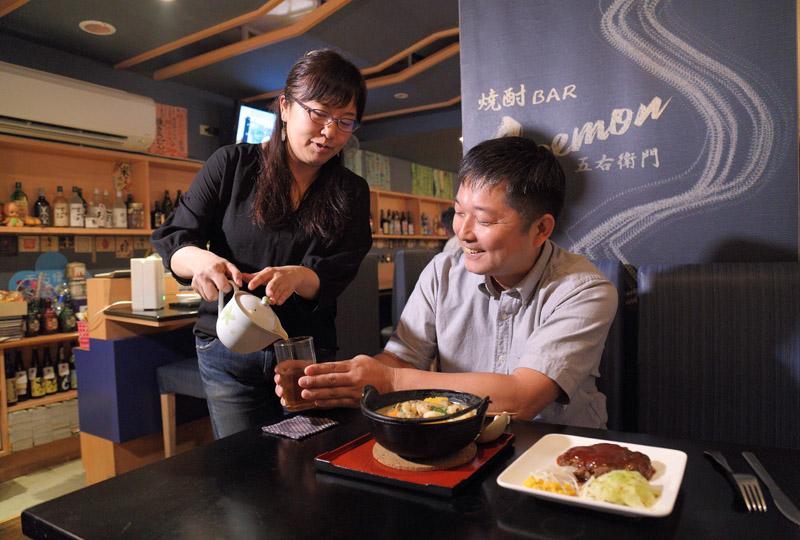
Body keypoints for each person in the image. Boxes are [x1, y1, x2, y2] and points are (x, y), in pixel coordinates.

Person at [277, 136, 617, 428]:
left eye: (483, 219)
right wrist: (338, 380)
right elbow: (403, 358)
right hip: (461, 442)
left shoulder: (583, 290)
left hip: (557, 452)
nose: (463, 232)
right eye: (458, 212)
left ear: (541, 229)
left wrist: (390, 380)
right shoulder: (443, 271)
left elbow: (524, 398)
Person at [151, 49, 372, 438]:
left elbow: (343, 266)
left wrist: (300, 276)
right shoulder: (231, 165)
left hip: (306, 351)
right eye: (318, 113)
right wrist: (199, 261)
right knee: (243, 471)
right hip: (228, 349)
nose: (329, 132)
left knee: (307, 461)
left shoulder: (351, 191)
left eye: (345, 121)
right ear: (286, 107)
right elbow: (175, 236)